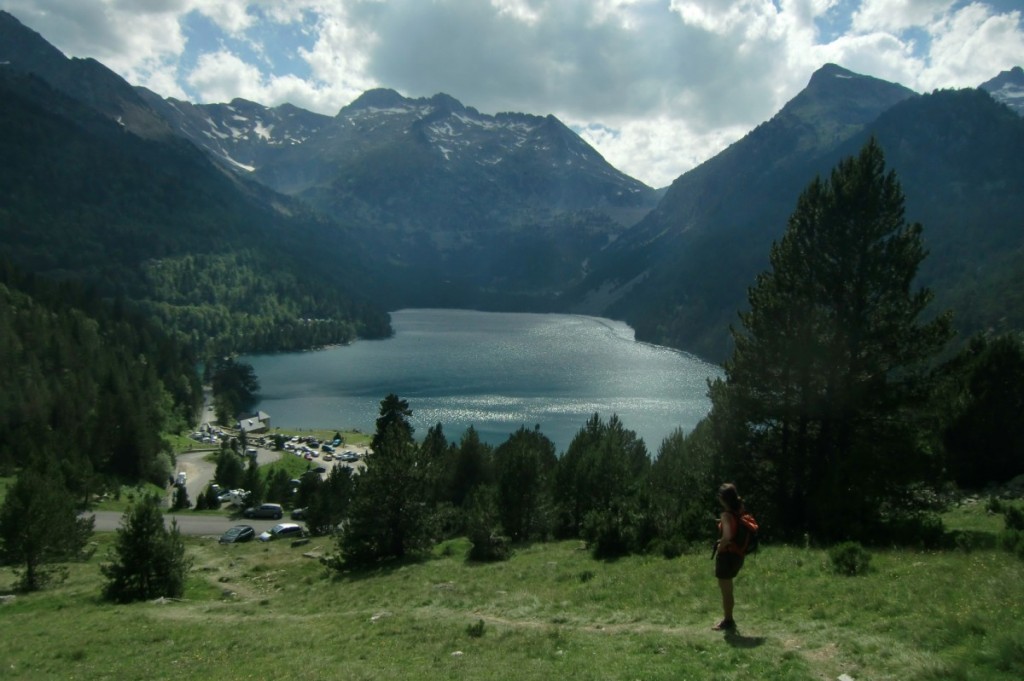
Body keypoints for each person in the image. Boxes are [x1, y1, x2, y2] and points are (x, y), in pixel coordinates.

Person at [712, 482, 746, 631]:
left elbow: (727, 537)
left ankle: (728, 620)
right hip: (738, 555)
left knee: (726, 590)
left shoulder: (726, 515)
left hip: (727, 556)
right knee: (728, 589)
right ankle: (729, 618)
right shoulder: (739, 511)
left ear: (723, 499)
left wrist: (719, 547)